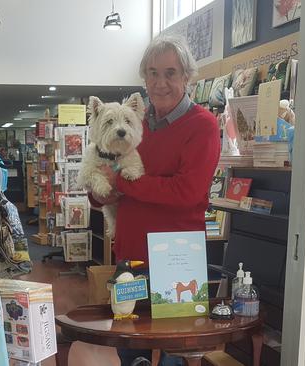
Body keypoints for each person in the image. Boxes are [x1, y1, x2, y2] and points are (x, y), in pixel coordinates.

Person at [90, 34, 221, 366]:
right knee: (130, 348)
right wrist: (99, 190)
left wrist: (123, 183)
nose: (160, 83)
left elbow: (186, 192)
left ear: (187, 77)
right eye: (152, 73)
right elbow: (103, 182)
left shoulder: (203, 126)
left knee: (174, 352)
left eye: (170, 73)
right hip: (130, 258)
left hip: (177, 261)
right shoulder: (131, 122)